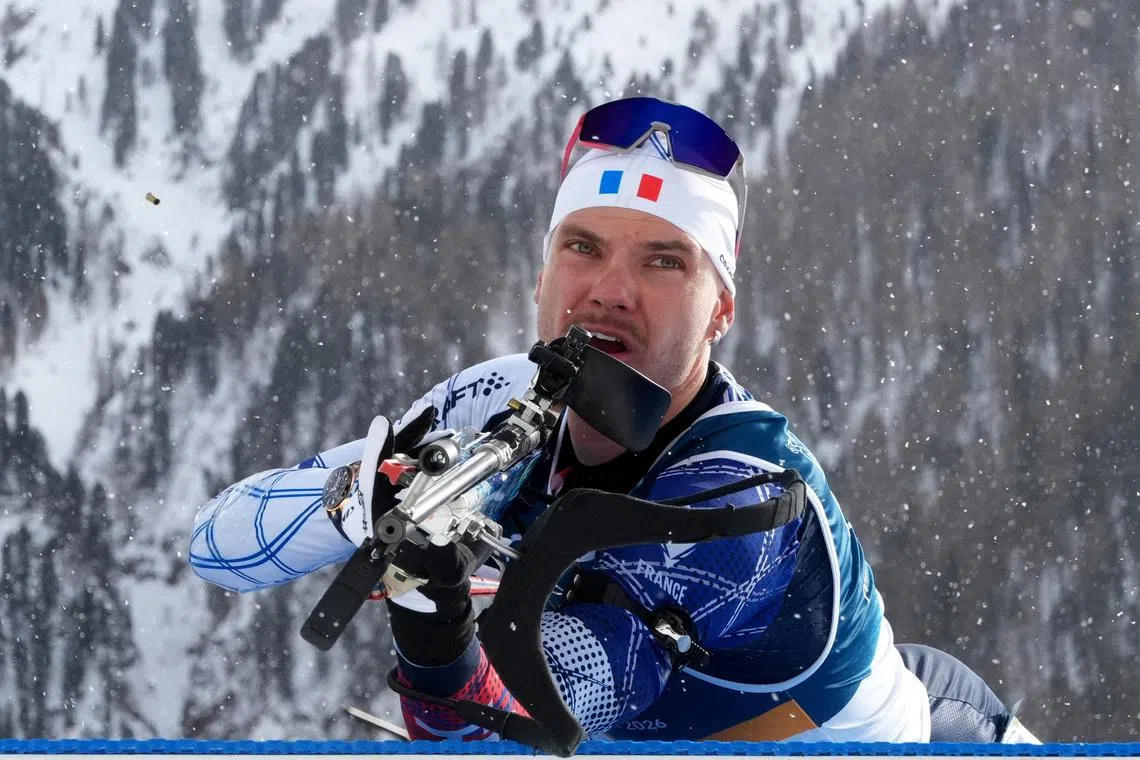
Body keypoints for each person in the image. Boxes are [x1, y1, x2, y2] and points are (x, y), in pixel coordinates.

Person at [190, 97, 1040, 744]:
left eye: (663, 261)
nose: (608, 290)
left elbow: (506, 732)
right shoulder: (495, 401)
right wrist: (363, 498)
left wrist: (431, 613)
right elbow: (219, 547)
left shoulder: (745, 497)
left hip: (915, 739)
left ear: (720, 312)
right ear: (541, 278)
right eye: (583, 247)